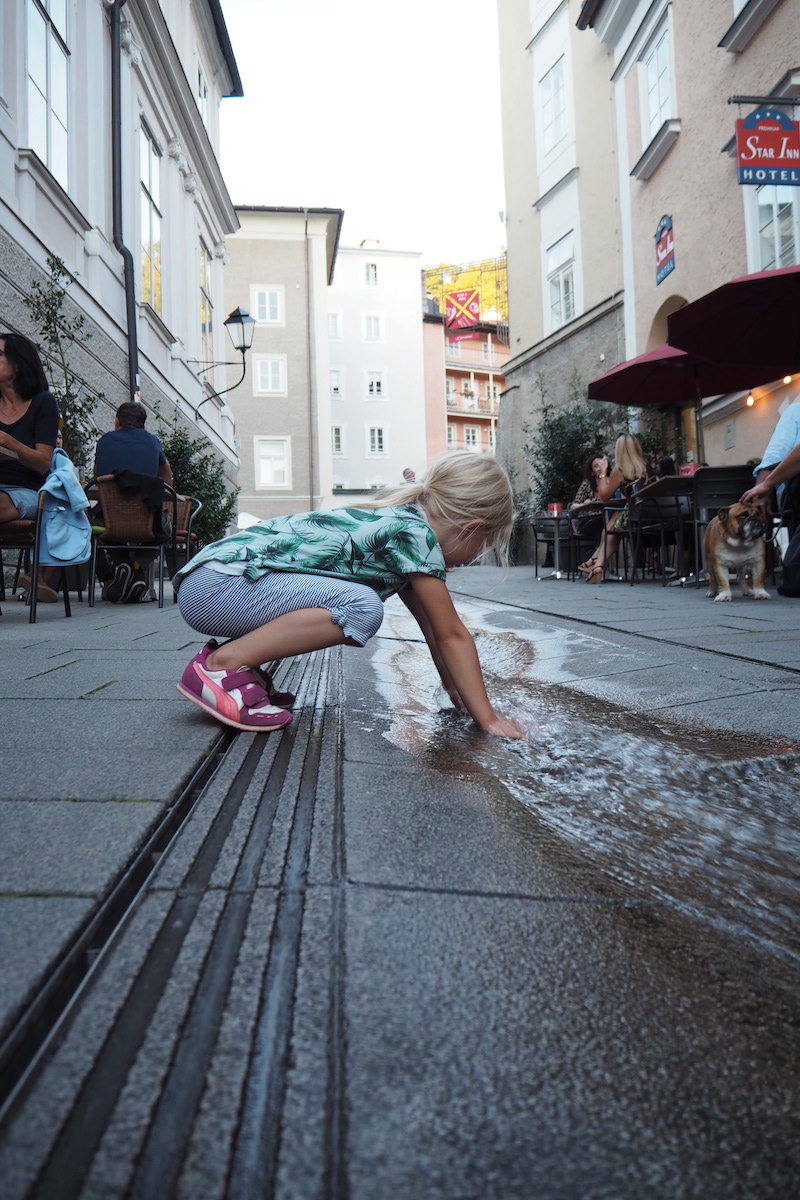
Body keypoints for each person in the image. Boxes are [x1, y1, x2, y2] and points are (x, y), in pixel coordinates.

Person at [173, 452, 525, 738]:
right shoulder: (418, 536)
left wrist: (459, 695)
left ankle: (236, 665)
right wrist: (489, 720)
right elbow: (453, 634)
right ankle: (222, 666)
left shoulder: (403, 524)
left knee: (359, 603)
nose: (476, 555)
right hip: (218, 587)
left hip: (213, 579)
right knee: (361, 607)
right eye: (483, 546)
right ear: (471, 529)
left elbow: (436, 632)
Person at [0, 332, 61, 602]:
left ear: (18, 362)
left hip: (26, 489)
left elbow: (42, 463)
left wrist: (8, 442)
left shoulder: (43, 403)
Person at [93, 401, 173, 603]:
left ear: (117, 421)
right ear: (143, 425)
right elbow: (166, 476)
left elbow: (97, 477)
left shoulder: (104, 441)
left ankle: (118, 575)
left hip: (110, 520)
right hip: (145, 519)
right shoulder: (153, 441)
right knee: (165, 531)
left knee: (98, 530)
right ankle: (135, 570)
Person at [583, 433, 649, 584]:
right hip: (652, 513)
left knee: (611, 529)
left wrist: (603, 474)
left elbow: (604, 496)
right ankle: (597, 565)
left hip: (633, 516)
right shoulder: (646, 467)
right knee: (611, 526)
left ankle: (596, 563)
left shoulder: (619, 470)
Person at [570, 453, 610, 570]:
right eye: (596, 466)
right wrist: (585, 504)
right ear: (591, 471)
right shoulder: (587, 484)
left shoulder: (611, 482)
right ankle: (599, 564)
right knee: (601, 524)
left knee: (607, 525)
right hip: (588, 520)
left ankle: (595, 561)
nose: (599, 468)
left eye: (601, 465)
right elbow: (573, 506)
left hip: (606, 517)